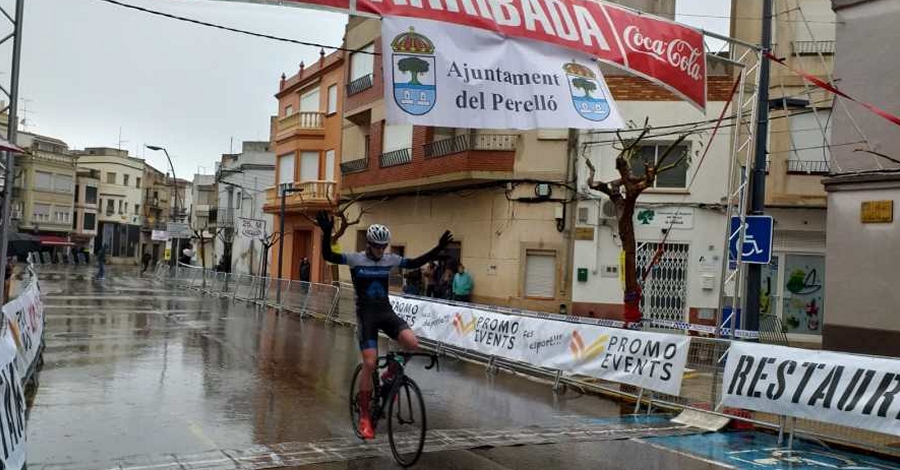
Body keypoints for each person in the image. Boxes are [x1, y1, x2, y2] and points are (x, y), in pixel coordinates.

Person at [315, 210, 452, 440]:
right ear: (368, 244)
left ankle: (390, 374)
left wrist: (437, 249)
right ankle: (365, 416)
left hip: (385, 312)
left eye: (384, 247)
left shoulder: (390, 260)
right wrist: (326, 232)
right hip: (366, 315)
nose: (381, 251)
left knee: (412, 342)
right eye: (377, 247)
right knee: (369, 363)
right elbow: (328, 255)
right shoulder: (355, 259)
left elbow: (415, 262)